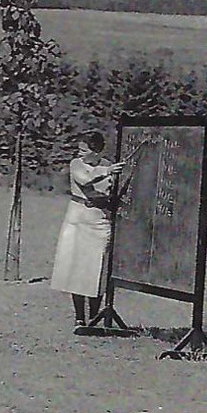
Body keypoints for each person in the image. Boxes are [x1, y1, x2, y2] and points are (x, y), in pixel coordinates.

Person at [50, 132, 125, 327]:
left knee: (97, 268)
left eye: (84, 150)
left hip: (99, 219)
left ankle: (93, 317)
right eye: (80, 149)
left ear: (96, 151)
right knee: (76, 267)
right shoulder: (77, 164)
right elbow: (84, 180)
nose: (80, 153)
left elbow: (114, 191)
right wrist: (108, 172)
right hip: (78, 219)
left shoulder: (108, 164)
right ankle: (79, 317)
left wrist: (113, 176)